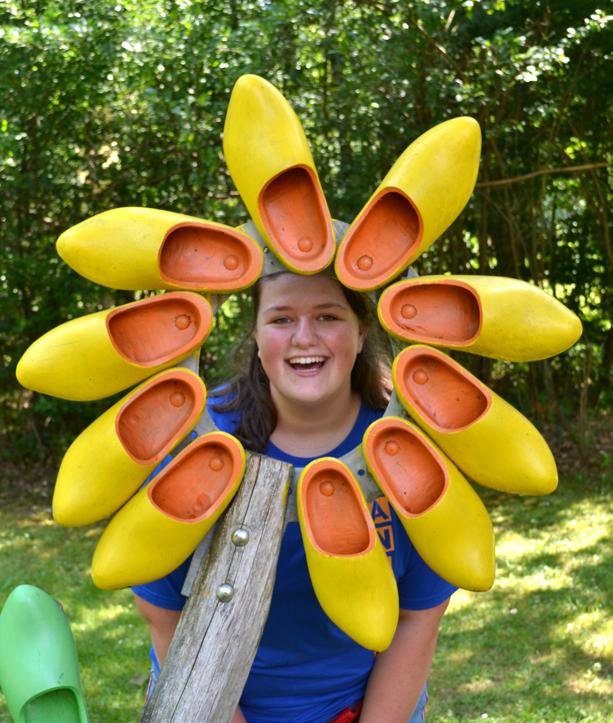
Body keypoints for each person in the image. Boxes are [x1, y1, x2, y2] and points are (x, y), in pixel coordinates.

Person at [132, 270, 456, 723]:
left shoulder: (406, 445)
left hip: (365, 705)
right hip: (207, 699)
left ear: (361, 332)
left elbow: (418, 615)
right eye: (281, 319)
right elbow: (161, 610)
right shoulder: (199, 440)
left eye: (328, 316)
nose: (304, 337)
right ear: (257, 335)